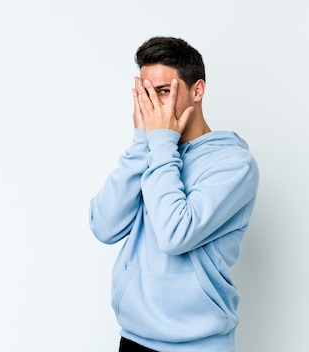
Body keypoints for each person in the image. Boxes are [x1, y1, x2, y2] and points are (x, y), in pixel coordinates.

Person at [89, 36, 260, 352]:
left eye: (164, 92)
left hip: (199, 345)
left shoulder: (234, 164)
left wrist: (162, 144)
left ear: (197, 90)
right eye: (147, 94)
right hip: (134, 339)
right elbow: (104, 226)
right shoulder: (153, 151)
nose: (154, 105)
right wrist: (144, 142)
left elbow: (174, 235)